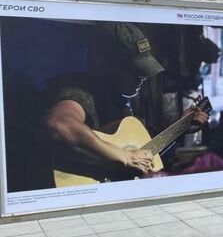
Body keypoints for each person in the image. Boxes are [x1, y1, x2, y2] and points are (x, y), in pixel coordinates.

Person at [45, 23, 208, 179]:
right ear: (102, 62)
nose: (142, 78)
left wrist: (180, 128)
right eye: (133, 70)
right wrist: (125, 157)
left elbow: (142, 155)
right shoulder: (78, 91)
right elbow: (60, 125)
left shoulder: (115, 101)